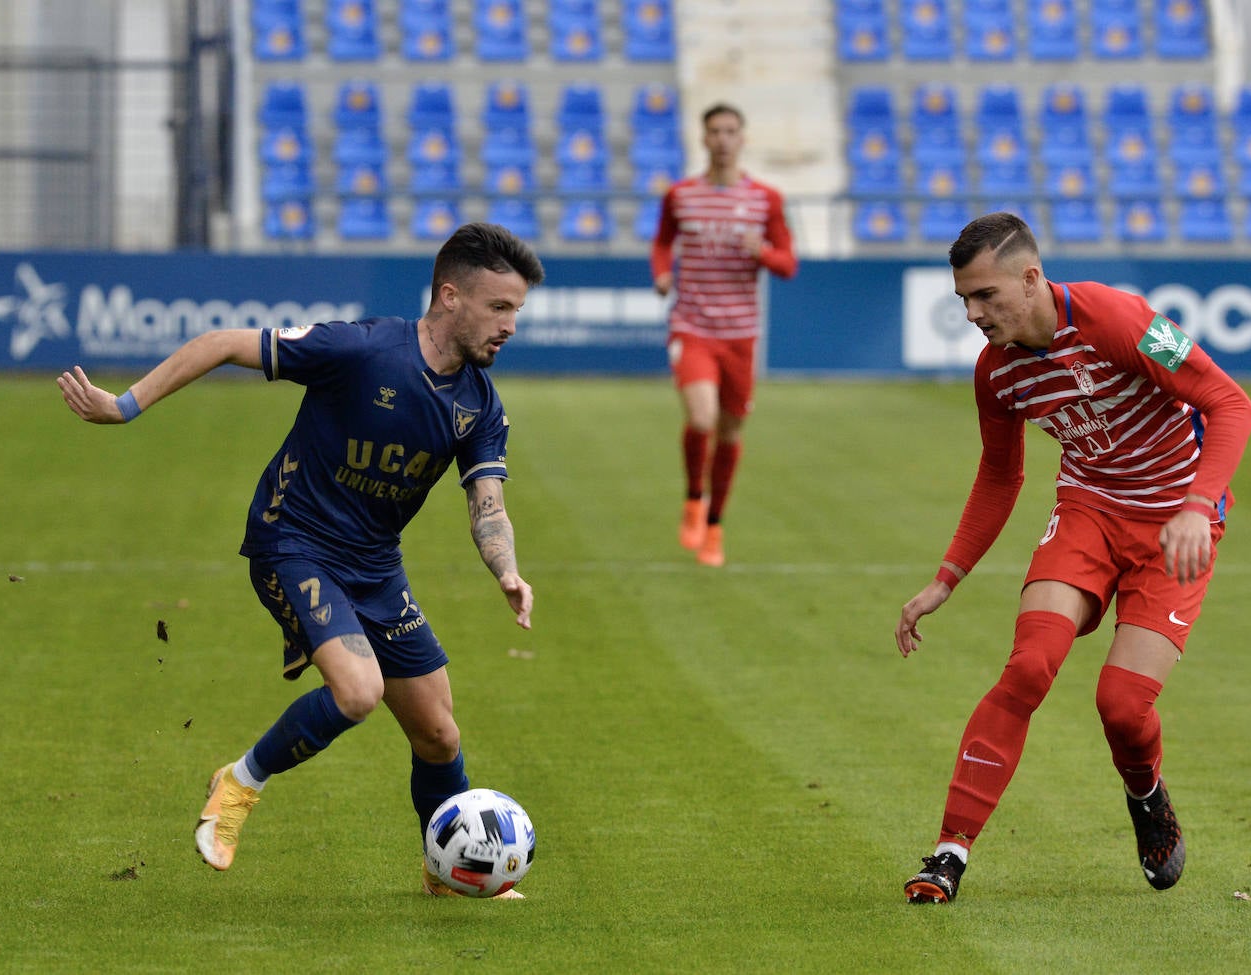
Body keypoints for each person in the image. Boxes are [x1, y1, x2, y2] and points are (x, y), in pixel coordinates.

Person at [56, 223, 545, 899]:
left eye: (517, 310)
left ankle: (444, 870)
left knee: (436, 731)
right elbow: (225, 342)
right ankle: (235, 786)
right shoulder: (364, 348)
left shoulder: (478, 406)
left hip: (375, 565)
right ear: (450, 295)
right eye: (500, 307)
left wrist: (507, 571)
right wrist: (126, 405)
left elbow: (487, 504)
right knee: (358, 691)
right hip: (293, 541)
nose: (511, 325)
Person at [895, 212, 1251, 904]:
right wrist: (947, 577)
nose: (972, 313)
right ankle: (948, 852)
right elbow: (1000, 477)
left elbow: (1230, 402)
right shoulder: (996, 372)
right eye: (963, 300)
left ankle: (1146, 792)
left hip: (1175, 523)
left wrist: (1196, 505)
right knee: (1029, 664)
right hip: (1088, 514)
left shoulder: (1116, 318)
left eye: (986, 296)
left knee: (1122, 706)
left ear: (1031, 279)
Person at [651, 102, 798, 567]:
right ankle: (694, 498)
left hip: (741, 333)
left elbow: (788, 264)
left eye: (731, 130)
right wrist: (661, 273)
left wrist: (764, 253)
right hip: (693, 325)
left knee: (731, 431)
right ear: (703, 137)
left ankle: (714, 526)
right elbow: (662, 242)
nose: (723, 139)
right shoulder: (681, 195)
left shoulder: (765, 199)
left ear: (743, 138)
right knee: (701, 419)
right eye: (715, 130)